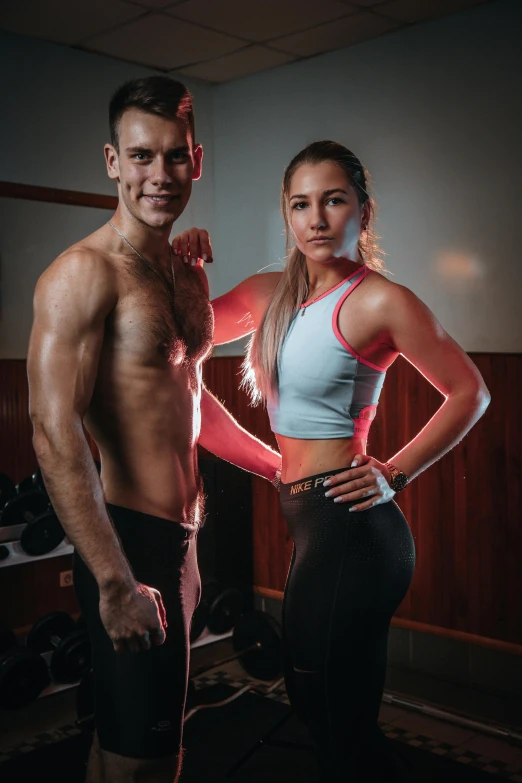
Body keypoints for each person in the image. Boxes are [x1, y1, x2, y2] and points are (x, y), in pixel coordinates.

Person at [172, 140, 491, 780]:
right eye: (301, 204)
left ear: (363, 213)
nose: (317, 218)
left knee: (328, 713)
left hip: (354, 529)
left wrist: (393, 471)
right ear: (287, 216)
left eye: (334, 201)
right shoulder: (267, 294)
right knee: (334, 715)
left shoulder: (381, 301)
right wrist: (179, 267)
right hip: (311, 519)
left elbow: (471, 392)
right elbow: (179, 350)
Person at [27, 76, 282, 783]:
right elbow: (53, 432)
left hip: (180, 543)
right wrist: (114, 582)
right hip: (129, 545)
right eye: (140, 157)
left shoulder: (184, 271)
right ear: (112, 161)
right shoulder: (81, 275)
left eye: (174, 157)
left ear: (196, 161)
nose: (158, 176)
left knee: (125, 745)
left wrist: (273, 464)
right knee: (149, 763)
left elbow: (190, 400)